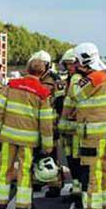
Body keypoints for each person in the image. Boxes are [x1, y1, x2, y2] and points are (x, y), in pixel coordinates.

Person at [0, 58, 55, 209]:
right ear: (42, 72)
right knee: (24, 171)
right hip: (28, 140)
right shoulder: (42, 92)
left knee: (5, 168)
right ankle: (23, 206)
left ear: (27, 69)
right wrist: (47, 144)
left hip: (8, 135)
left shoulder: (12, 85)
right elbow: (46, 122)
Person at [69, 42, 106, 209]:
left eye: (76, 61)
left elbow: (75, 94)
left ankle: (91, 208)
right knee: (103, 167)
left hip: (91, 133)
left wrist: (76, 76)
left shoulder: (91, 79)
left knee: (91, 170)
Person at [33, 50, 66, 197]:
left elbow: (60, 103)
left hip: (50, 123)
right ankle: (38, 179)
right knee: (35, 153)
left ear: (47, 65)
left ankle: (55, 183)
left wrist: (58, 123)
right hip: (34, 123)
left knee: (51, 155)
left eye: (41, 64)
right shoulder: (32, 77)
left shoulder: (54, 79)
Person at [58, 48, 84, 204]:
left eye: (71, 64)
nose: (69, 68)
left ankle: (80, 189)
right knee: (71, 158)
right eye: (67, 65)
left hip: (75, 128)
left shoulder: (78, 80)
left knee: (76, 158)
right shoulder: (70, 79)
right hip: (68, 127)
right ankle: (76, 188)